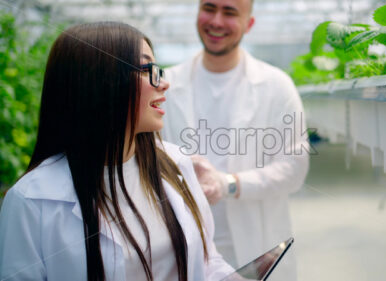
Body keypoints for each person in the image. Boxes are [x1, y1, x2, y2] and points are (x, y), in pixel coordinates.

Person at [0, 22, 234, 281]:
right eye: (149, 70)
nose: (164, 84)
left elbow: (207, 261)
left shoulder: (175, 163)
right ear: (101, 81)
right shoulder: (32, 201)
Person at [160, 0, 310, 280]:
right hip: (185, 250)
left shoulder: (277, 86)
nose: (216, 21)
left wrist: (228, 184)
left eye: (229, 12)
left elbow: (294, 168)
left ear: (248, 24)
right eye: (209, 8)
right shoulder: (167, 85)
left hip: (256, 248)